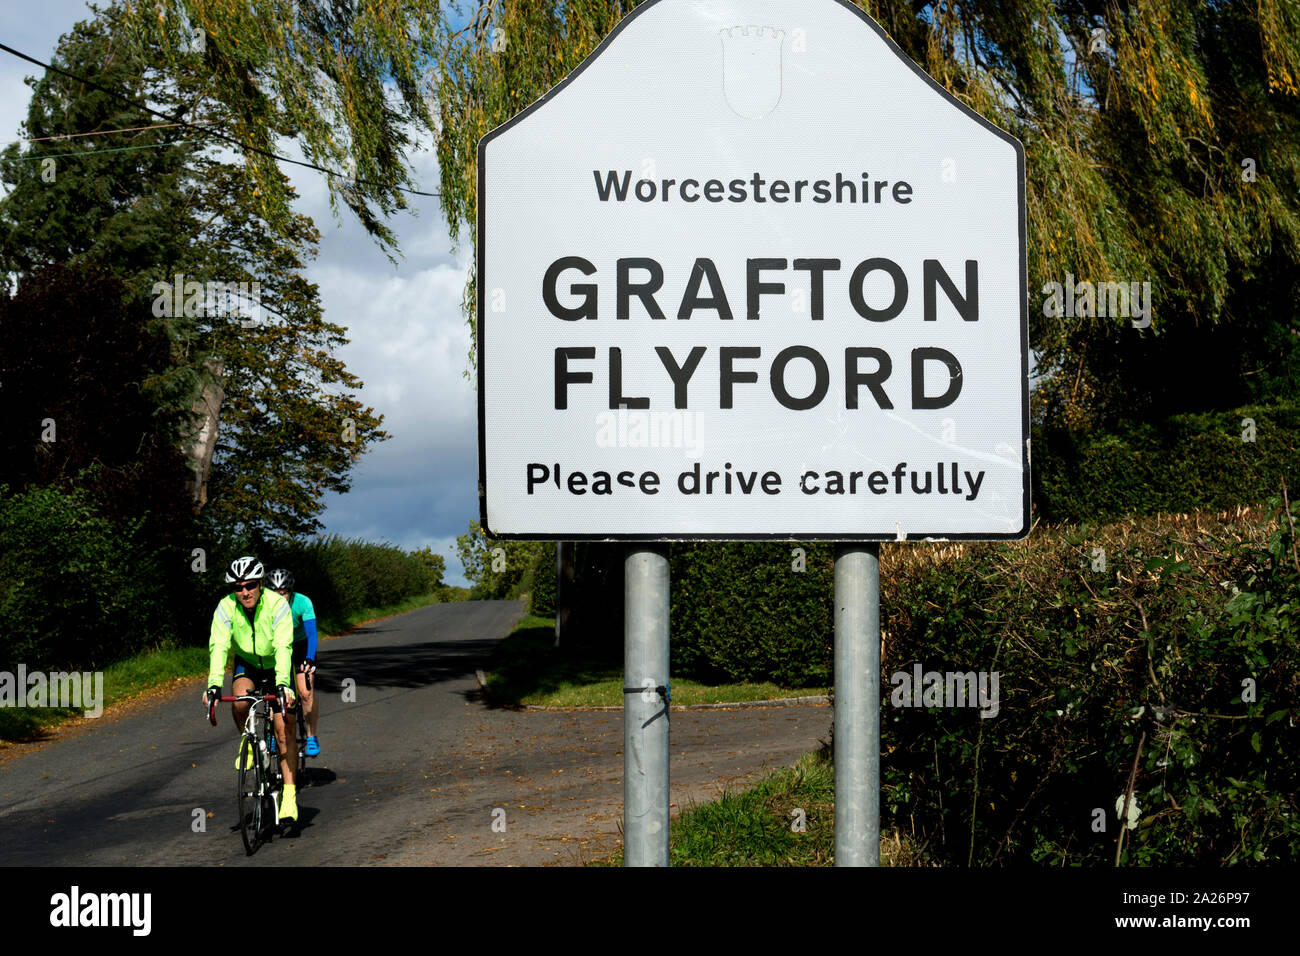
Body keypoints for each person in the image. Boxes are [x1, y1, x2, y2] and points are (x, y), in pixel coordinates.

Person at [203, 556, 300, 823]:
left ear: (260, 584)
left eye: (250, 585)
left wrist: (283, 684)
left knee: (283, 730)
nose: (244, 591)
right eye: (238, 586)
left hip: (275, 664)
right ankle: (248, 745)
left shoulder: (277, 604)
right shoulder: (225, 607)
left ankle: (289, 793)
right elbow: (219, 646)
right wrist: (213, 685)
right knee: (240, 702)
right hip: (247, 661)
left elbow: (283, 645)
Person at [267, 568, 321, 757]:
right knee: (274, 693)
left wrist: (309, 658)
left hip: (299, 647)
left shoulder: (303, 602)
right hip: (277, 647)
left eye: (283, 593)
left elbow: (312, 634)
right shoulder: (264, 605)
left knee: (305, 693)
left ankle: (311, 735)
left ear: (290, 591)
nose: (280, 597)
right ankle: (274, 733)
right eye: (275, 593)